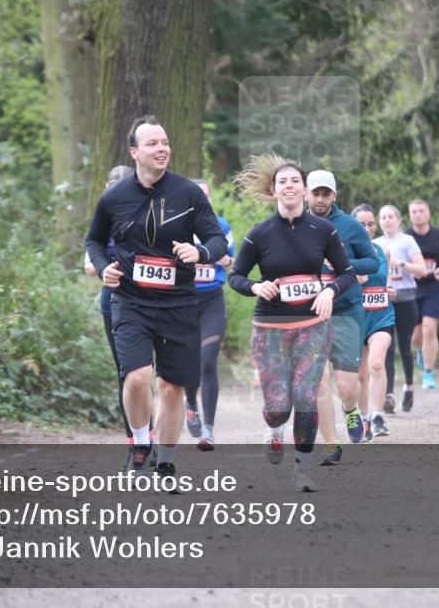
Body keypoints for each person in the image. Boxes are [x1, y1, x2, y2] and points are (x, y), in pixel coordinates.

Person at [85, 115, 227, 481]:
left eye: (165, 143)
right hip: (131, 300)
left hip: (179, 302)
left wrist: (202, 254)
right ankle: (139, 444)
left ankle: (165, 461)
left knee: (171, 386)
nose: (162, 149)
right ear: (134, 152)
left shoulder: (189, 193)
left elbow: (217, 239)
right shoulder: (114, 197)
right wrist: (104, 268)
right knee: (136, 377)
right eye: (153, 144)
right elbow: (94, 241)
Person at [229, 153, 355, 492]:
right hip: (270, 329)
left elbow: (347, 273)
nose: (289, 186)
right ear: (274, 190)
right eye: (282, 181)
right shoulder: (259, 234)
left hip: (313, 326)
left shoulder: (323, 230)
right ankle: (273, 430)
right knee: (277, 407)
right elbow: (235, 276)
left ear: (304, 189)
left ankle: (302, 469)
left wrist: (329, 291)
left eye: (295, 181)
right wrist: (256, 285)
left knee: (306, 394)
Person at [307, 170, 379, 466]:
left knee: (346, 387)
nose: (321, 199)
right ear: (306, 194)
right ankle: (330, 444)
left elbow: (372, 262)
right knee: (318, 380)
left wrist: (343, 263)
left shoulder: (349, 226)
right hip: (309, 313)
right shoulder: (295, 224)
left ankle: (351, 410)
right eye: (316, 193)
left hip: (346, 311)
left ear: (334, 196)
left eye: (326, 194)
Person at [84, 164, 146, 467]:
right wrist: (108, 265)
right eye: (114, 186)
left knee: (154, 378)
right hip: (116, 301)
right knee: (129, 375)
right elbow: (88, 263)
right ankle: (136, 444)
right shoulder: (104, 219)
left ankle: (152, 439)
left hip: (156, 302)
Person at [184, 179, 233, 451]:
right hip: (183, 301)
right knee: (190, 363)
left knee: (207, 362)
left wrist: (218, 257)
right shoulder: (178, 225)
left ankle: (209, 430)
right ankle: (190, 404)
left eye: (205, 195)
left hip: (212, 300)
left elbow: (230, 259)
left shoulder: (221, 226)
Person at [375, 204, 426, 413]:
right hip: (384, 300)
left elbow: (422, 270)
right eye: (383, 217)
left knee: (404, 348)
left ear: (398, 219)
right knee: (386, 347)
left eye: (390, 216)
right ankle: (388, 394)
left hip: (406, 300)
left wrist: (399, 264)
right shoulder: (375, 243)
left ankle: (409, 386)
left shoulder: (407, 241)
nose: (387, 220)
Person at [351, 204, 396, 439]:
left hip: (381, 315)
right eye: (361, 224)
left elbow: (385, 283)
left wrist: (389, 291)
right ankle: (365, 417)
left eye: (370, 224)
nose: (367, 228)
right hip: (356, 318)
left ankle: (378, 417)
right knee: (360, 375)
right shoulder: (343, 253)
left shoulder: (383, 251)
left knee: (377, 363)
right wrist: (356, 279)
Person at [405, 199, 439, 390]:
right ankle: (421, 350)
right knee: (415, 337)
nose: (418, 214)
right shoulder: (406, 237)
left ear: (428, 213)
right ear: (409, 215)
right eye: (414, 211)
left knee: (429, 329)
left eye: (421, 211)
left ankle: (428, 373)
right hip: (412, 289)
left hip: (433, 288)